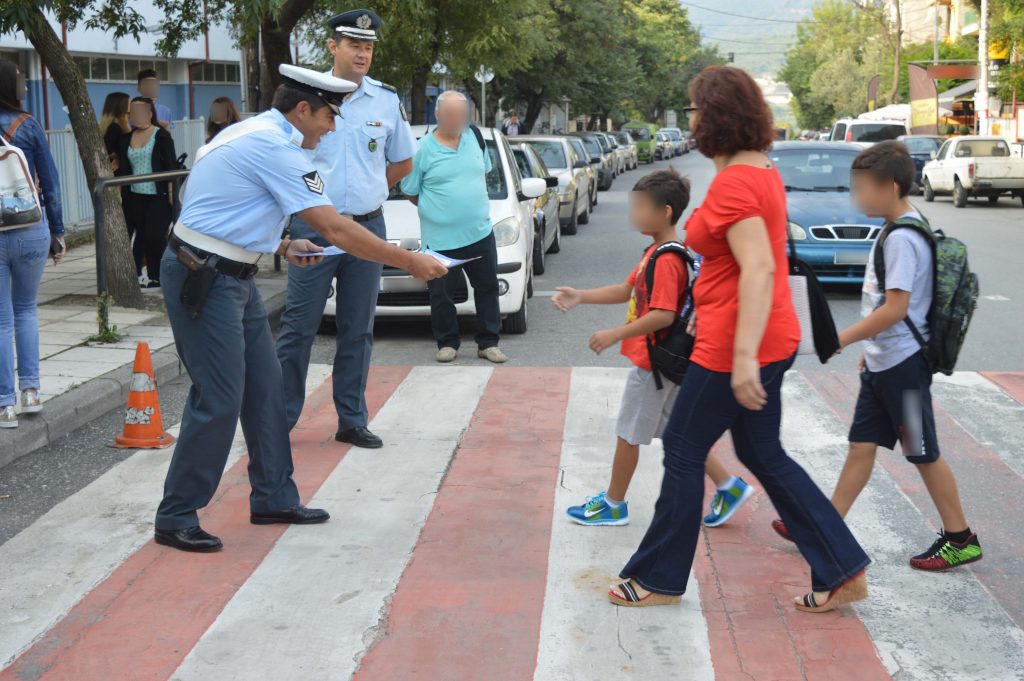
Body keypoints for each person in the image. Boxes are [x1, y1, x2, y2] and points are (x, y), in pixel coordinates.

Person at [153, 64, 447, 553]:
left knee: (266, 391)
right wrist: (408, 260)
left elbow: (217, 203)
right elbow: (335, 229)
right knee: (220, 397)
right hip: (205, 277)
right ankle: (177, 514)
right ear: (303, 109)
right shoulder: (277, 148)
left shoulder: (252, 131)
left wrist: (279, 244)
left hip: (230, 272)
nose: (333, 128)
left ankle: (272, 497)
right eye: (331, 117)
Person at [610, 66, 869, 613]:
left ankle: (658, 577)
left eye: (695, 111)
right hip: (758, 335)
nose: (693, 121)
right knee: (761, 451)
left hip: (735, 347)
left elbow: (757, 269)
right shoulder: (760, 169)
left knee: (681, 450)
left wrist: (744, 356)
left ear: (716, 118)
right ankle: (842, 567)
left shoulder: (737, 183)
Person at [771, 141, 981, 571]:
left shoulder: (903, 236)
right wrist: (871, 350)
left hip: (904, 369)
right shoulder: (896, 226)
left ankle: (960, 537)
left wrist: (841, 339)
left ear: (889, 186)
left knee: (922, 451)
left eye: (863, 189)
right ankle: (823, 525)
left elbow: (896, 307)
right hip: (887, 363)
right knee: (860, 447)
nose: (857, 198)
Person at [553, 168, 754, 527]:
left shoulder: (667, 259)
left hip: (654, 366)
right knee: (678, 429)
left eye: (641, 207)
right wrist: (580, 296)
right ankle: (728, 486)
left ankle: (614, 504)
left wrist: (616, 333)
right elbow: (626, 290)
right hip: (666, 364)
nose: (634, 214)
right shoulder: (656, 252)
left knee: (629, 432)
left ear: (665, 212)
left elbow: (663, 314)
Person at [276, 8, 417, 449]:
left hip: (367, 227)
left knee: (358, 327)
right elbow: (281, 157)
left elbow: (403, 162)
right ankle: (279, 419)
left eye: (369, 47)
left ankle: (351, 419)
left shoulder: (385, 100)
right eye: (354, 45)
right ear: (333, 47)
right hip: (315, 225)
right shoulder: (306, 94)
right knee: (299, 326)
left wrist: (371, 191)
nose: (362, 54)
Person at [401, 90, 507, 364]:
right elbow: (410, 190)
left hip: (480, 232)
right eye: (450, 114)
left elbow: (480, 175)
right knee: (441, 294)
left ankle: (488, 343)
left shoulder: (475, 138)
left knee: (487, 288)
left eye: (461, 114)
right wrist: (436, 211)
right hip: (441, 239)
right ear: (437, 115)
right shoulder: (422, 148)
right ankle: (447, 343)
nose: (457, 119)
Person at [0, 60, 65, 429]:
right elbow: (51, 184)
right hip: (29, 226)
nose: (25, 84)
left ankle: (4, 405)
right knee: (25, 310)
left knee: (0, 319)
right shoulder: (29, 125)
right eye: (21, 80)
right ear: (12, 85)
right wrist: (57, 233)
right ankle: (31, 392)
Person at [116, 96, 177, 289]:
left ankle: (158, 275)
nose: (137, 115)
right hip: (135, 196)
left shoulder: (161, 136)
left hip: (158, 196)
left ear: (150, 114)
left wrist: (170, 193)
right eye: (133, 112)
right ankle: (139, 275)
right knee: (139, 236)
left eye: (141, 111)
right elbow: (123, 170)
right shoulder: (126, 138)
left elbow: (171, 166)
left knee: (155, 236)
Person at [99, 91, 130, 172]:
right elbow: (116, 152)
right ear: (121, 106)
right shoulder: (115, 128)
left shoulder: (108, 126)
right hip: (118, 174)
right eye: (129, 102)